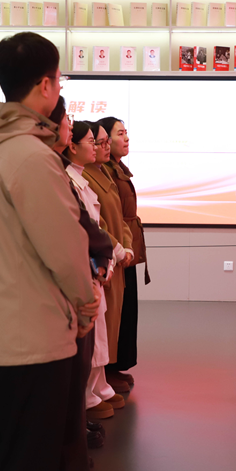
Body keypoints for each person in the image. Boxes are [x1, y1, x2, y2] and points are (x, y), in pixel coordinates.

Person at [0, 31, 98, 471]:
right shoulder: (30, 156)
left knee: (6, 452)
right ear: (44, 84)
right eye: (58, 79)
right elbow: (65, 248)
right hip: (35, 336)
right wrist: (85, 304)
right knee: (34, 458)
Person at [49, 97, 112, 463]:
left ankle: (73, 429)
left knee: (84, 360)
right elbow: (73, 232)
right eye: (68, 124)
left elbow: (93, 228)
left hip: (87, 274)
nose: (98, 146)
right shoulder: (48, 170)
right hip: (67, 286)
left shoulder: (63, 171)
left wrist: (104, 258)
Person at [63, 120, 125, 421]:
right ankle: (87, 393)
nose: (98, 146)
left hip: (97, 263)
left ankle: (97, 386)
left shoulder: (83, 178)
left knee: (99, 330)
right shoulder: (68, 179)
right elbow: (85, 227)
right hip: (85, 265)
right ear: (72, 146)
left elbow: (101, 224)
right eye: (92, 141)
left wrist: (108, 258)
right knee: (91, 331)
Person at [82, 121, 134, 394]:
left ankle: (105, 376)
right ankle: (101, 380)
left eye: (102, 142)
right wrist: (117, 249)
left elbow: (121, 218)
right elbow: (96, 224)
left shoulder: (105, 173)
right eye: (96, 142)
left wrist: (127, 247)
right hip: (103, 258)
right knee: (103, 322)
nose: (101, 147)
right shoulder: (84, 177)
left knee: (113, 320)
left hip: (115, 256)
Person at [99, 116, 149, 388]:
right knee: (117, 310)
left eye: (125, 132)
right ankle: (108, 370)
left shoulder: (118, 168)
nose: (126, 138)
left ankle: (117, 367)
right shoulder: (104, 171)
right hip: (116, 248)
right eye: (119, 133)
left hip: (127, 246)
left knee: (127, 309)